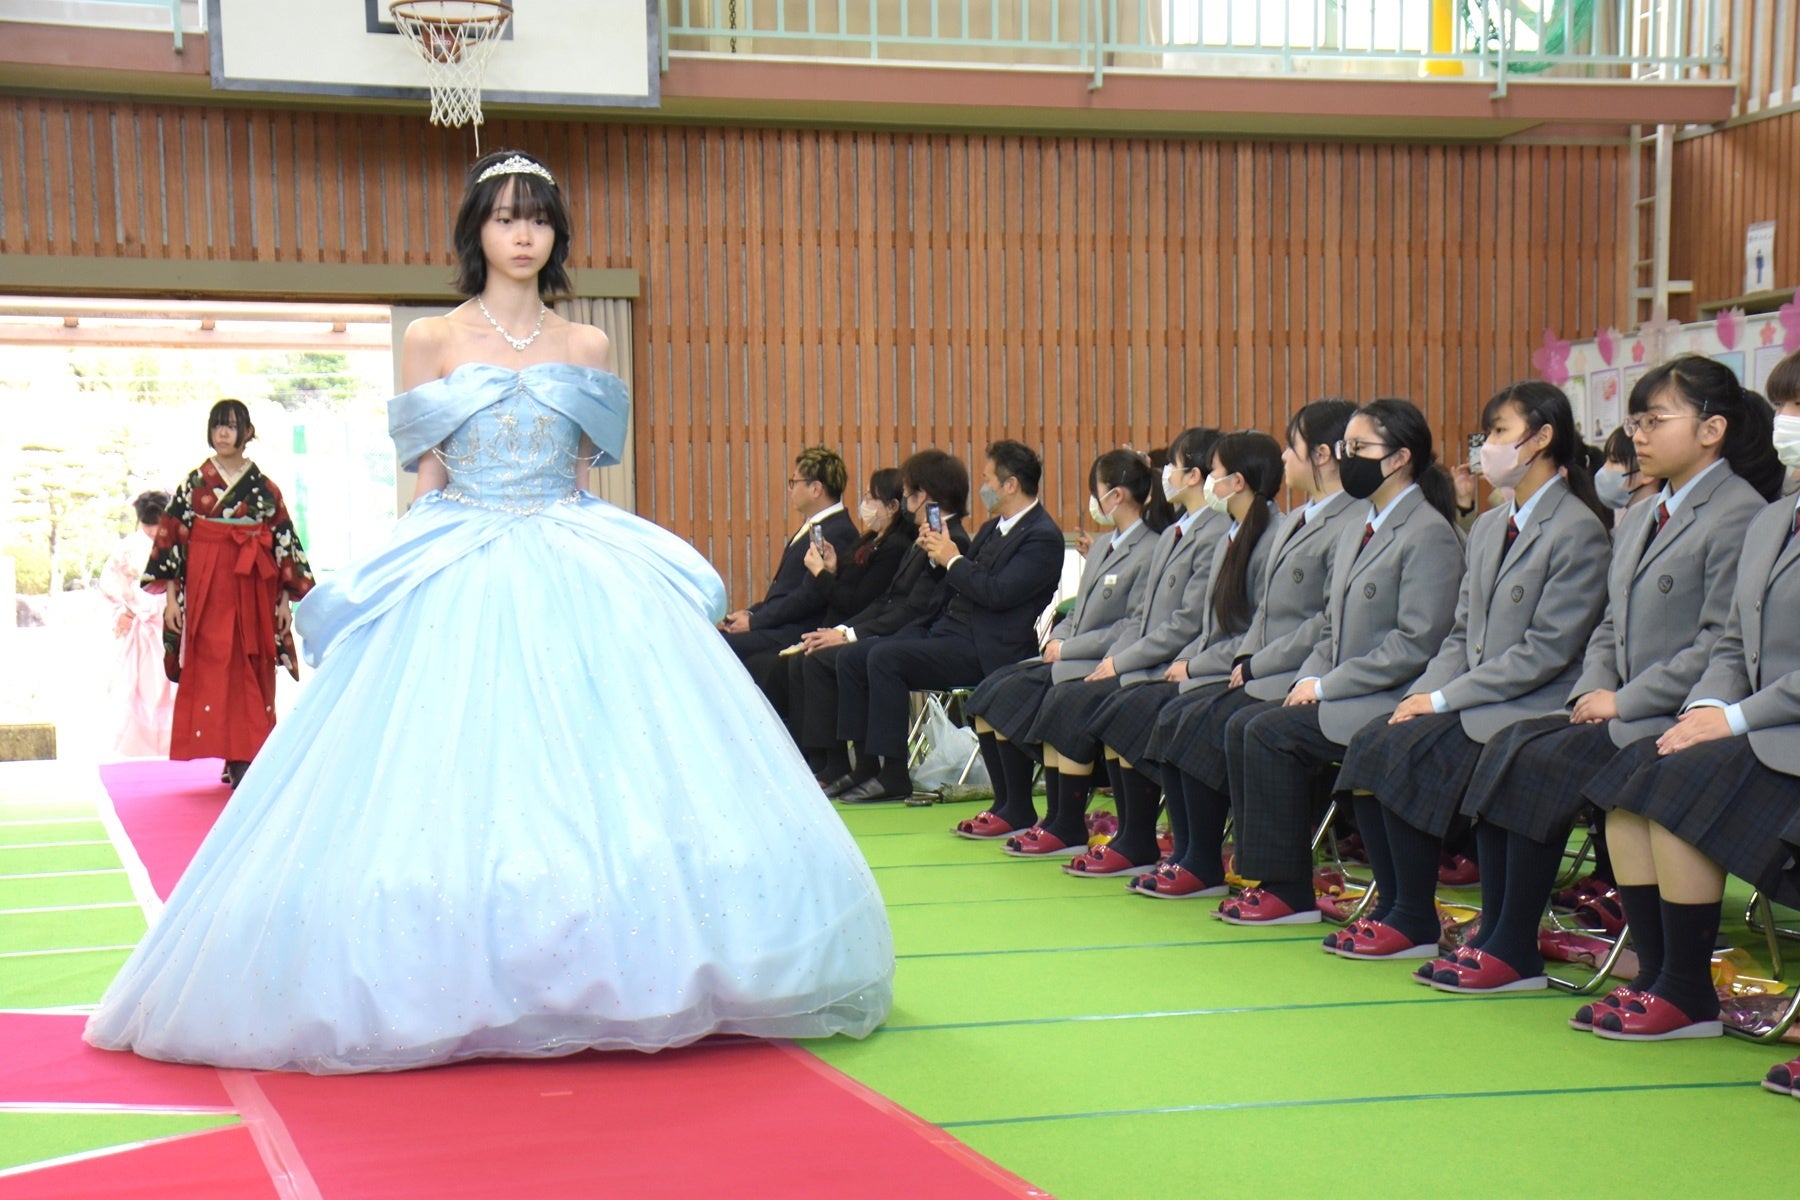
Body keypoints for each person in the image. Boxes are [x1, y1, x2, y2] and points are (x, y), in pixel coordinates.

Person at [85, 149, 893, 1073]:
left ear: (556, 234)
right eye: (506, 217)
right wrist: (397, 569)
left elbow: (583, 473)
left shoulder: (587, 345)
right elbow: (427, 476)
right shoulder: (433, 339)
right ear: (477, 229)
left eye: (538, 218)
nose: (523, 234)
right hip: (459, 550)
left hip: (573, 552)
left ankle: (629, 960)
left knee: (609, 760)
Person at [1433, 355, 1781, 996]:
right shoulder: (1645, 514)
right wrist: (1592, 691)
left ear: (1712, 430)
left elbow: (1717, 643)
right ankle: (1503, 934)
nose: (1637, 436)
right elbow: (1608, 625)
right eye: (1635, 421)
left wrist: (1624, 701)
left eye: (1654, 420)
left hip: (1668, 708)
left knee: (1544, 762)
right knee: (1515, 744)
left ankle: (1519, 944)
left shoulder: (1739, 512)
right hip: (1622, 703)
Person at [1324, 382, 1612, 960]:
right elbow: (1460, 633)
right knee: (1377, 741)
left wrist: (1444, 700)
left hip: (1532, 701)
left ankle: (1433, 920)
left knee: (1413, 752)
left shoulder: (1576, 528)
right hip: (1478, 696)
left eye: (1500, 432)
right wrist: (1425, 694)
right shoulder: (1488, 525)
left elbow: (1545, 651)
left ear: (1542, 439)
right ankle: (1401, 909)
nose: (1487, 447)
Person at [1573, 352, 1799, 1045]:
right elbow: (1732, 643)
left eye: (1799, 409)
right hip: (1758, 720)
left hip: (1781, 727)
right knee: (1633, 784)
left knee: (1674, 789)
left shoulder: (1742, 512)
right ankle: (1661, 977)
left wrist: (1731, 718)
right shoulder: (1776, 519)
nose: (1787, 422)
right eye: (1784, 408)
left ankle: (1686, 990)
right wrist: (1706, 709)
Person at [1217, 399, 1465, 926]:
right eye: (1345, 447)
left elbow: (1416, 644)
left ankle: (1289, 889)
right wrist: (1311, 675)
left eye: (1359, 448)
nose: (1347, 458)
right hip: (1345, 687)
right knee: (1247, 724)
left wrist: (1327, 686)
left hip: (1385, 694)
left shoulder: (1427, 532)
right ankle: (1267, 878)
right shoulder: (1360, 527)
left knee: (1268, 733)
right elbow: (1330, 624)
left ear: (1399, 458)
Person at [1135, 399, 1361, 899]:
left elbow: (1324, 621)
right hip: (1265, 666)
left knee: (1230, 724)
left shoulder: (1348, 521)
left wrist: (1259, 663)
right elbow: (1264, 613)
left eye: (1292, 447)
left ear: (1322, 455)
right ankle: (1192, 854)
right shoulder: (1299, 519)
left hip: (1300, 669)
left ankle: (1242, 869)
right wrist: (1245, 660)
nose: (1284, 458)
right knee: (1178, 715)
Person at [1070, 431, 1288, 877]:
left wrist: (1192, 664)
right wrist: (1184, 662)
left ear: (1237, 481)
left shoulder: (1267, 535)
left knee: (1173, 715)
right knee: (1135, 706)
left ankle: (1194, 856)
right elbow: (1203, 627)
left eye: (1214, 472)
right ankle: (1174, 849)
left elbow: (1255, 629)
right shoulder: (1229, 533)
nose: (1165, 475)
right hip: (1206, 662)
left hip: (1240, 668)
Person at [830, 439, 1064, 804]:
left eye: (988, 479)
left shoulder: (1042, 537)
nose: (983, 487)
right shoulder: (992, 528)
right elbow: (956, 584)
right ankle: (865, 765)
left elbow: (998, 593)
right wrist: (937, 557)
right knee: (853, 655)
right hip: (948, 630)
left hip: (986, 647)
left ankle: (894, 773)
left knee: (885, 658)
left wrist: (952, 559)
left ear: (1010, 485)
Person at [956, 449, 1164, 838]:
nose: (1092, 501)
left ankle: (1060, 819)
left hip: (1100, 659)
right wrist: (1058, 638)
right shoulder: (1103, 545)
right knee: (991, 690)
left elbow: (1132, 625)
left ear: (1116, 495)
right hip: (1070, 652)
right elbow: (1078, 608)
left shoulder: (1152, 549)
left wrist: (1068, 649)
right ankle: (1011, 805)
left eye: (1096, 490)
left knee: (1044, 699)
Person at [145, 400, 314, 790]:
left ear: (247, 432)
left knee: (252, 662)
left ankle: (245, 753)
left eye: (232, 426)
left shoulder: (265, 488)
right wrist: (172, 598)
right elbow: (172, 540)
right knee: (213, 665)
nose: (223, 433)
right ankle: (231, 751)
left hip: (254, 583)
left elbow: (284, 543)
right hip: (209, 585)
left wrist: (283, 601)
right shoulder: (194, 484)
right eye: (218, 425)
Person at [798, 450, 970, 787]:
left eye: (909, 493)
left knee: (862, 656)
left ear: (926, 495)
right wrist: (845, 630)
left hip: (923, 633)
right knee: (830, 655)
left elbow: (917, 608)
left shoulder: (953, 541)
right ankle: (856, 764)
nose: (905, 500)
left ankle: (886, 770)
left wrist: (852, 635)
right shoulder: (921, 539)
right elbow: (887, 599)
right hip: (901, 626)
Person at [741, 467, 915, 742]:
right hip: (837, 625)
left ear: (893, 506)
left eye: (871, 498)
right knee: (774, 664)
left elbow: (856, 601)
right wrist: (832, 569)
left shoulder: (894, 547)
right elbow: (843, 588)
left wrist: (822, 574)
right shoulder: (869, 540)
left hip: (853, 628)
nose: (865, 504)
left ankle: (819, 754)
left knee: (789, 665)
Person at [718, 445, 860, 661]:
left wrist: (755, 622)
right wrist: (751, 613)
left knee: (718, 647)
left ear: (816, 489)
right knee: (713, 639)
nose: (790, 489)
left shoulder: (838, 531)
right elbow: (785, 591)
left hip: (796, 631)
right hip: (780, 624)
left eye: (794, 482)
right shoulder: (817, 526)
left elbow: (809, 596)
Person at [101, 490, 176, 758]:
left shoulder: (183, 544)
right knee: (140, 688)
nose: (153, 532)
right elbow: (110, 586)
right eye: (148, 525)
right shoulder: (128, 549)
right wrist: (122, 611)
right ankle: (139, 751)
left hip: (176, 626)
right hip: (142, 627)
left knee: (176, 689)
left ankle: (178, 748)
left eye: (158, 525)